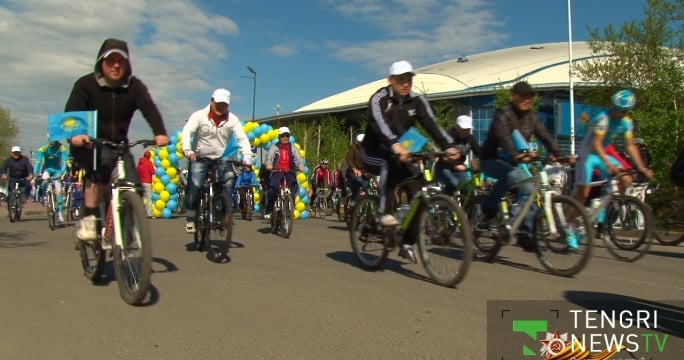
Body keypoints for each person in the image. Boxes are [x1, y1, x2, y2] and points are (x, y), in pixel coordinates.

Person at [66, 38, 169, 243]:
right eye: (110, 60)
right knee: (98, 172)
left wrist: (159, 132)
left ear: (127, 64)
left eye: (120, 61)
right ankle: (88, 219)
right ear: (101, 62)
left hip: (120, 145)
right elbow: (72, 113)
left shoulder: (134, 86)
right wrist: (76, 135)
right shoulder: (85, 84)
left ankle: (127, 229)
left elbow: (149, 108)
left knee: (134, 187)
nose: (116, 65)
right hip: (90, 143)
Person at [361, 60, 460, 262]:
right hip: (374, 151)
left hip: (403, 151)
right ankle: (382, 214)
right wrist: (394, 145)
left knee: (419, 193)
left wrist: (449, 145)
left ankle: (407, 243)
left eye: (409, 79)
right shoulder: (380, 98)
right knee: (387, 164)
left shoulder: (417, 101)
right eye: (400, 80)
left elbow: (432, 123)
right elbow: (378, 123)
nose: (405, 84)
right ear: (391, 80)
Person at [477, 81, 570, 251]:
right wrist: (516, 154)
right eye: (522, 96)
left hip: (513, 161)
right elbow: (503, 136)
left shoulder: (532, 117)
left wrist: (562, 156)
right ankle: (488, 208)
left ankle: (524, 234)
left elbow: (546, 137)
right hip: (491, 159)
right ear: (513, 96)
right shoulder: (503, 113)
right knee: (514, 176)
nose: (526, 100)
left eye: (529, 97)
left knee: (530, 191)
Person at [570, 89, 653, 234]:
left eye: (621, 111)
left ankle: (601, 204)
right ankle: (568, 225)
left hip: (601, 154)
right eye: (615, 108)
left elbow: (630, 146)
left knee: (626, 179)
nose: (617, 112)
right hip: (587, 155)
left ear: (627, 111)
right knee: (582, 194)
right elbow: (596, 143)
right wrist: (608, 164)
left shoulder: (626, 122)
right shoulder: (604, 118)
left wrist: (642, 168)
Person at [181, 88, 252, 234]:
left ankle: (221, 213)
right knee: (194, 187)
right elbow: (187, 131)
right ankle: (191, 216)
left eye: (224, 105)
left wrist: (247, 157)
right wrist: (188, 149)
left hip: (220, 158)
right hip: (200, 157)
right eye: (218, 103)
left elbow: (242, 138)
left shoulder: (232, 120)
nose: (221, 107)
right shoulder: (199, 116)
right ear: (211, 101)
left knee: (229, 179)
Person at [434, 114, 482, 195]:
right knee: (453, 183)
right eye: (463, 129)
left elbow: (480, 153)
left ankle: (467, 207)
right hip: (443, 167)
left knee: (468, 189)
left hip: (460, 169)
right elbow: (446, 156)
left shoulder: (470, 138)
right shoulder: (449, 136)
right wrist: (456, 165)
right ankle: (444, 204)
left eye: (467, 129)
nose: (465, 131)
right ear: (456, 126)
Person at [264, 127, 305, 219]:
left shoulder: (292, 148)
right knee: (272, 189)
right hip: (277, 171)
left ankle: (290, 208)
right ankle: (269, 209)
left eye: (287, 135)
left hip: (289, 171)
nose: (285, 137)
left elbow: (298, 158)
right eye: (283, 136)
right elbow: (269, 157)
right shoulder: (274, 147)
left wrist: (301, 165)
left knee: (294, 187)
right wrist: (269, 165)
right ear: (279, 137)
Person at [34, 141, 69, 222]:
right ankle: (44, 197)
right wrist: (35, 173)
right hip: (47, 169)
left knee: (58, 192)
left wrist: (62, 172)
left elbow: (64, 161)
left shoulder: (61, 148)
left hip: (57, 170)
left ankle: (59, 213)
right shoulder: (43, 148)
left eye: (53, 141)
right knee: (44, 180)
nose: (51, 142)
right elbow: (38, 162)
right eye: (50, 141)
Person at [343, 133, 370, 202]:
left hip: (364, 172)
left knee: (368, 185)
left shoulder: (368, 149)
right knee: (357, 182)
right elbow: (349, 159)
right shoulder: (353, 148)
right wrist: (354, 169)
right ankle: (354, 201)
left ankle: (368, 204)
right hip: (353, 172)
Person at [136, 150, 155, 217]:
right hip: (147, 182)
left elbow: (137, 172)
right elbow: (152, 171)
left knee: (142, 198)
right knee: (149, 198)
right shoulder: (149, 162)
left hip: (140, 182)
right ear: (149, 156)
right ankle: (149, 213)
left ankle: (140, 213)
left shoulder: (139, 163)